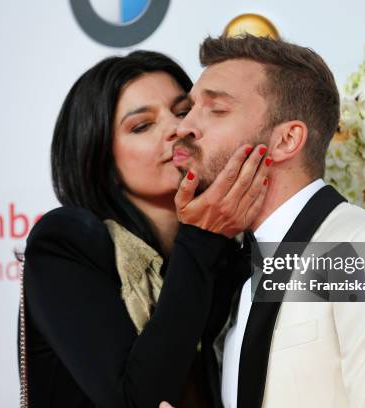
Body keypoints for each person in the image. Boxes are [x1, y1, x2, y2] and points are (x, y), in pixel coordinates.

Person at [167, 34, 365, 408]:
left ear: (287, 140)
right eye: (189, 109)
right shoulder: (239, 273)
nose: (184, 127)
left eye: (217, 110)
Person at [20, 50, 271, 407]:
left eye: (183, 112)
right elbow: (137, 399)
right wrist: (199, 234)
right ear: (99, 156)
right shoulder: (66, 241)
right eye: (142, 126)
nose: (176, 129)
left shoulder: (227, 248)